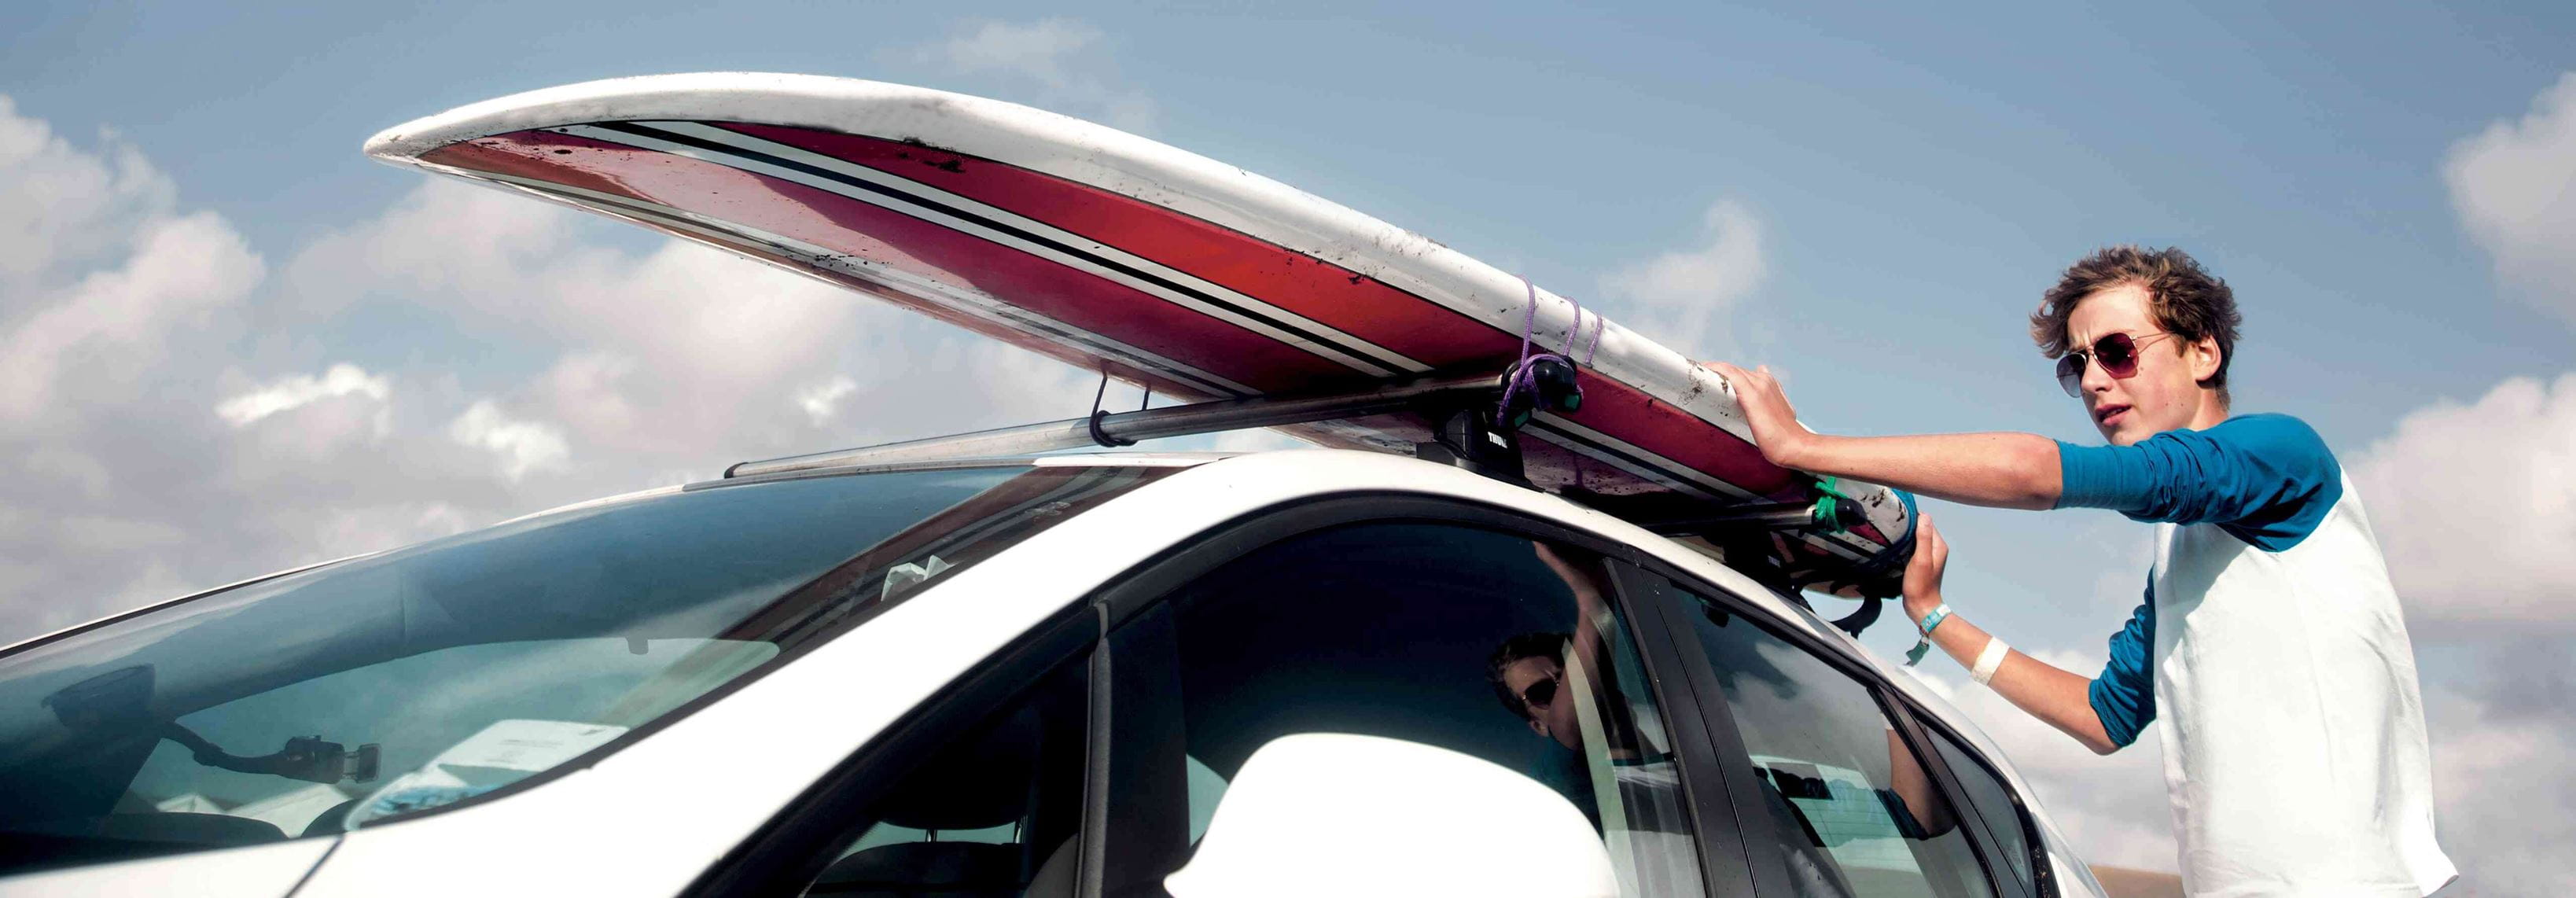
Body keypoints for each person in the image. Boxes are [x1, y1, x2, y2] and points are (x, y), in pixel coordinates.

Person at [1700, 246, 2454, 896]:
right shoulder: (2187, 551)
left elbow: (2041, 475)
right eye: (2077, 365)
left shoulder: (2280, 456)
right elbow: (2104, 718)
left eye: (2118, 351)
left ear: (2203, 352)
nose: (2094, 381)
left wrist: (1803, 447)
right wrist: (1936, 618)